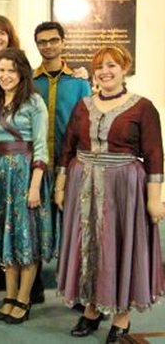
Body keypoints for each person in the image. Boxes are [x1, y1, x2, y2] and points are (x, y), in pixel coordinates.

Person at [55, 45, 165, 343]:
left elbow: (155, 155)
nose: (105, 71)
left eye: (112, 65)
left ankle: (121, 317)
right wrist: (61, 186)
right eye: (100, 66)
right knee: (87, 247)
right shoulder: (84, 105)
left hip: (124, 190)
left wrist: (155, 198)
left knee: (118, 247)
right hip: (83, 185)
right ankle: (92, 309)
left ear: (124, 68)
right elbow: (68, 146)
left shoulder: (143, 107)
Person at [0, 47, 56, 325]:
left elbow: (41, 148)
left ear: (22, 72)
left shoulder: (34, 102)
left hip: (25, 175)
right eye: (1, 70)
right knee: (6, 239)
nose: (6, 75)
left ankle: (24, 299)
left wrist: (35, 186)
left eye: (11, 70)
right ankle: (9, 296)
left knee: (26, 238)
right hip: (0, 177)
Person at [30, 21, 92, 305]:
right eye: (42, 42)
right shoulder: (30, 81)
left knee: (74, 228)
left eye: (53, 40)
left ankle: (77, 290)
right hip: (38, 166)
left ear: (63, 42)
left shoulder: (80, 82)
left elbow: (88, 122)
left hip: (71, 165)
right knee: (37, 225)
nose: (48, 46)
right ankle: (35, 286)